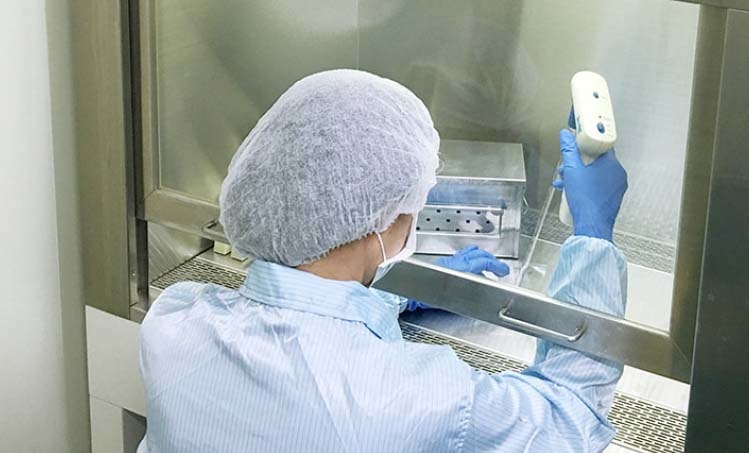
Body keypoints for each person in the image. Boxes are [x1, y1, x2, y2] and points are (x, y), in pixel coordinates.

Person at [138, 69, 627, 452]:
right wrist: (592, 235)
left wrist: (395, 296)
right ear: (392, 219)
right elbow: (570, 416)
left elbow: (309, 318)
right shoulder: (424, 398)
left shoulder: (175, 323)